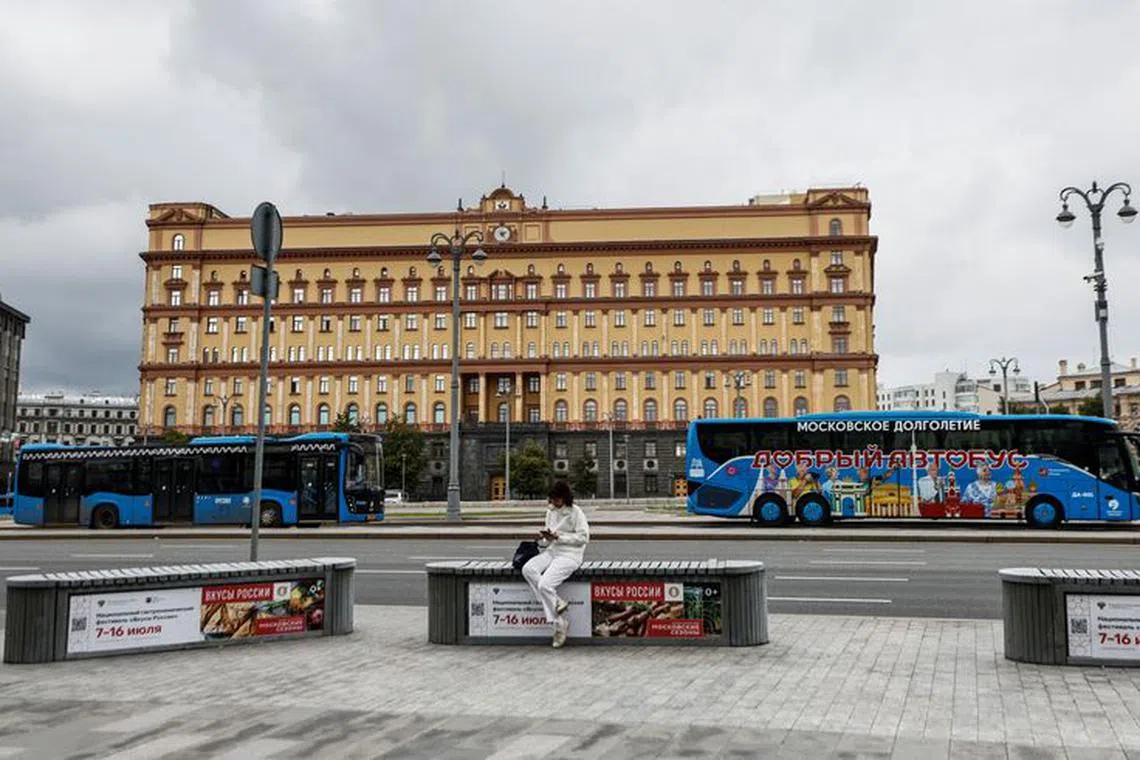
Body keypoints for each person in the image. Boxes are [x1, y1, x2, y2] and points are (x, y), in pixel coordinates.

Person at [521, 480, 590, 648]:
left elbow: (584, 538)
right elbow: (549, 535)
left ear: (564, 498)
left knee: (545, 585)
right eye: (551, 500)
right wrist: (546, 537)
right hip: (552, 551)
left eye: (557, 500)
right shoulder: (550, 511)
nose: (553, 503)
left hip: (570, 555)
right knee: (528, 569)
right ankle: (557, 601)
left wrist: (560, 537)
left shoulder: (575, 512)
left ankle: (559, 625)